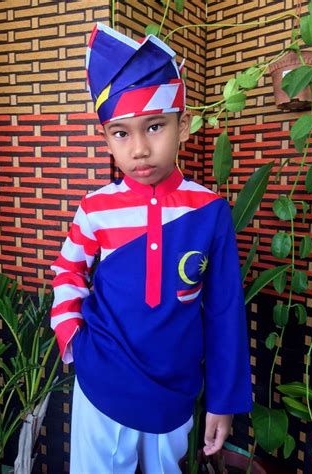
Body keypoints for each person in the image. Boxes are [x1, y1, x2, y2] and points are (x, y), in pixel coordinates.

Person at [50, 22, 253, 473]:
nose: (139, 149)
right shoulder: (95, 208)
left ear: (183, 126)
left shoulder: (210, 210)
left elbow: (224, 310)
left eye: (155, 126)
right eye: (121, 133)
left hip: (173, 393)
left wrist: (222, 401)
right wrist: (73, 339)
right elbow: (67, 271)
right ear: (106, 138)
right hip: (101, 386)